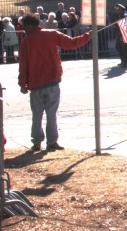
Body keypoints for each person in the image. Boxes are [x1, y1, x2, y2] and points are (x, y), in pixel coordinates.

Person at [19, 13, 92, 152]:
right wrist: (87, 37)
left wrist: (23, 84)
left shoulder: (27, 41)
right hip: (52, 80)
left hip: (35, 83)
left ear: (29, 26)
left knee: (37, 115)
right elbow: (72, 43)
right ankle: (52, 142)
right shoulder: (50, 34)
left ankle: (36, 142)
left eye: (24, 27)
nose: (23, 29)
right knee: (51, 114)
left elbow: (23, 65)